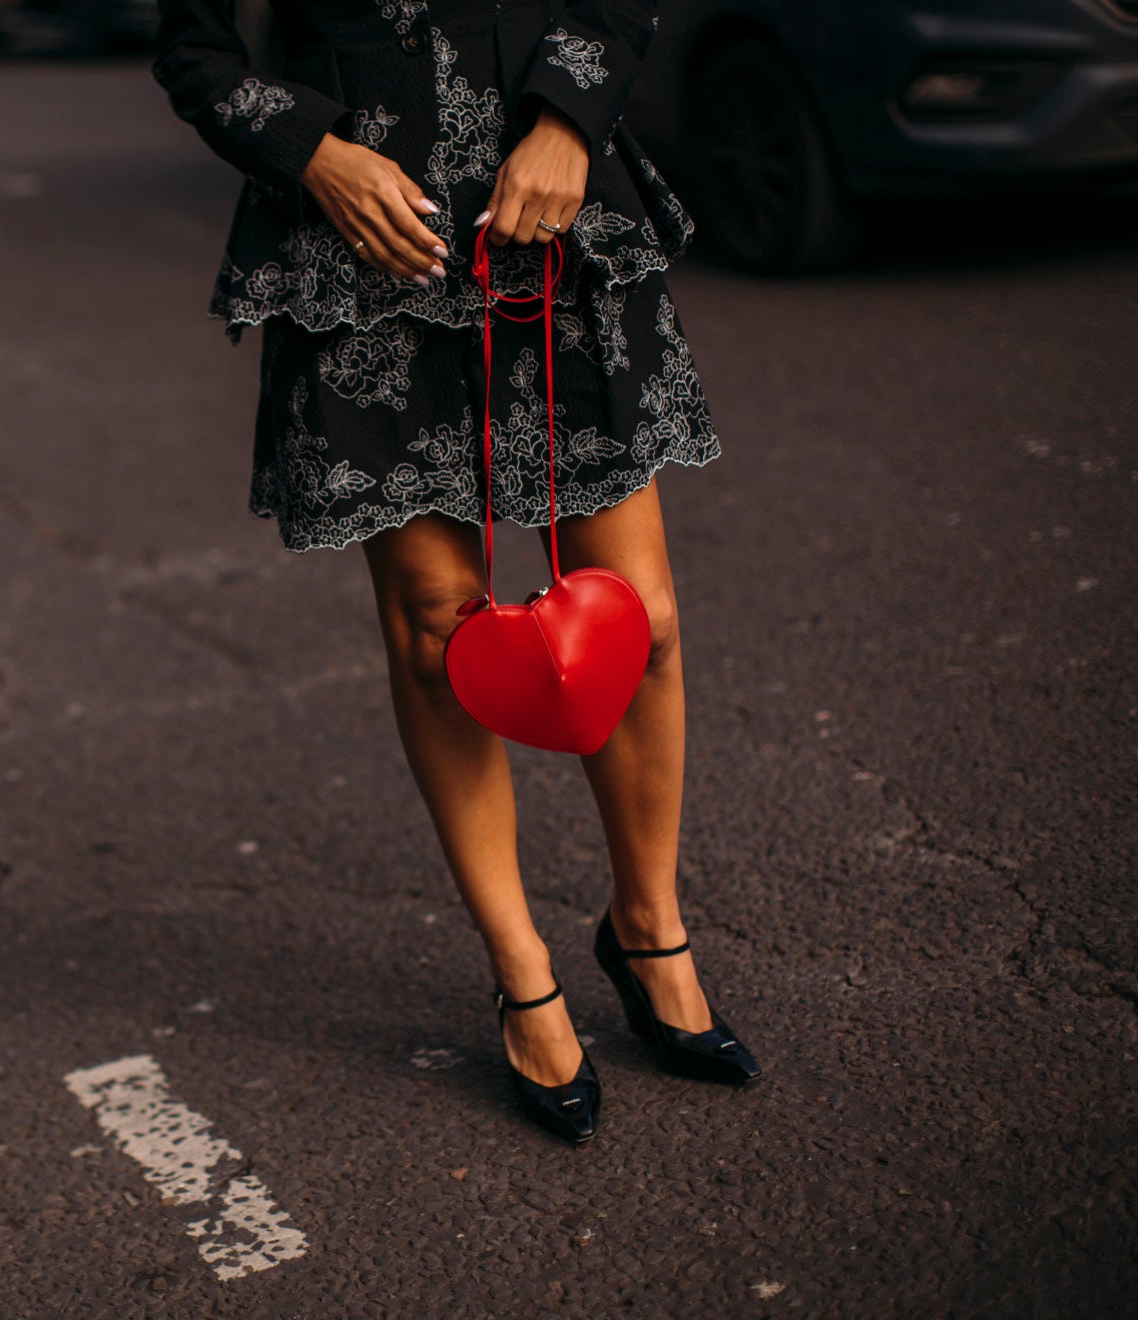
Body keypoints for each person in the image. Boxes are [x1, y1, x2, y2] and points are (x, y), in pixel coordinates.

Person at [152, 0, 761, 1145]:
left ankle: (647, 927)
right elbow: (196, 48)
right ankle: (522, 972)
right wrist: (314, 154)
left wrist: (569, 120)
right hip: (369, 240)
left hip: (558, 210)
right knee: (442, 636)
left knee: (641, 622)